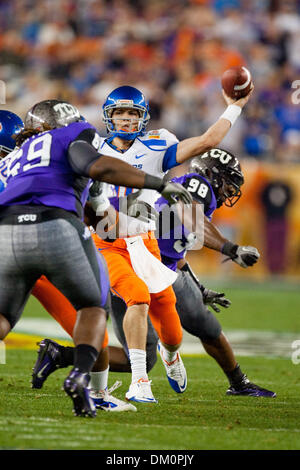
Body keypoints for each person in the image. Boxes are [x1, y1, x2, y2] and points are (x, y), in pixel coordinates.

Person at [31, 84, 254, 404]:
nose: (125, 119)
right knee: (135, 296)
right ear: (108, 116)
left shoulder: (156, 145)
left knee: (173, 333)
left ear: (143, 117)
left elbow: (208, 141)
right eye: (119, 113)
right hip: (106, 242)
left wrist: (234, 106)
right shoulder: (89, 146)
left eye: (132, 113)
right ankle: (140, 382)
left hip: (146, 244)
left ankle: (172, 355)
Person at [0, 99, 191, 417]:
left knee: (4, 317)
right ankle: (93, 388)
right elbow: (97, 173)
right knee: (93, 309)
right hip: (54, 225)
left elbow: (101, 215)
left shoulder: (17, 157)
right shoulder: (74, 136)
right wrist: (158, 185)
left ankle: (90, 382)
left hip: (7, 232)